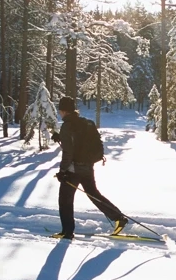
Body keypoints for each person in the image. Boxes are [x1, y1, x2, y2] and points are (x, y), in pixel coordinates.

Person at [51, 97, 129, 238]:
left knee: (65, 200)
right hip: (88, 167)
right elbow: (79, 143)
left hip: (73, 170)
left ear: (63, 111)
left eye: (60, 111)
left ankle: (67, 232)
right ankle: (119, 218)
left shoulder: (67, 126)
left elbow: (68, 152)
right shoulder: (85, 123)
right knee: (94, 194)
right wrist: (61, 137)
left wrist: (62, 171)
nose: (60, 113)